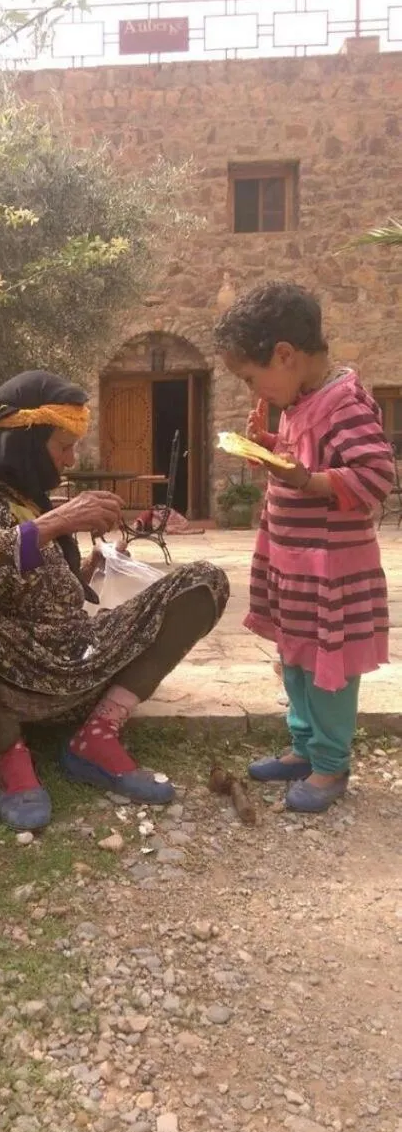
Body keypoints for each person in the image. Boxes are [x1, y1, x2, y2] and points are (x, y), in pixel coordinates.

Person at [0, 370, 229, 831]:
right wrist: (57, 523)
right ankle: (6, 752)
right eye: (62, 447)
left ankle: (97, 735)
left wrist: (87, 569)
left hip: (75, 655)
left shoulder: (32, 493)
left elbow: (41, 578)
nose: (69, 460)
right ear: (26, 442)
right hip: (8, 667)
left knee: (203, 582)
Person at [215, 281, 394, 812]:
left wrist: (305, 479)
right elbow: (304, 463)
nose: (255, 390)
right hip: (293, 563)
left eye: (252, 378)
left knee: (327, 669)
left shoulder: (346, 404)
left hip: (331, 569)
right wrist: (270, 448)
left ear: (286, 355)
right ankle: (304, 748)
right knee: (294, 658)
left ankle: (332, 765)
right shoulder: (299, 401)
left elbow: (376, 475)